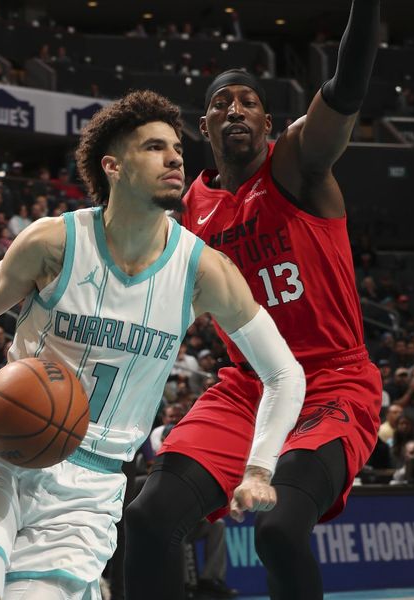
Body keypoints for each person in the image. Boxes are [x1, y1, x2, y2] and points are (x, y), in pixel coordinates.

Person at [0, 91, 304, 600]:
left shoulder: (203, 271)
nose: (174, 159)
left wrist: (258, 468)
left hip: (89, 488)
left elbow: (284, 374)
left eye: (178, 150)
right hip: (2, 453)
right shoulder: (52, 242)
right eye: (154, 148)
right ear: (113, 166)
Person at [125, 2, 383, 599]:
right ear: (205, 128)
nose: (233, 109)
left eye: (246, 100)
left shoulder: (297, 163)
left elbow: (348, 84)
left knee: (278, 530)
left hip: (332, 381)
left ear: (269, 121)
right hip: (248, 387)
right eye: (221, 103)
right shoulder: (188, 208)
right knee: (147, 515)